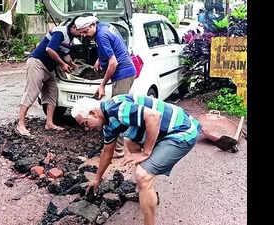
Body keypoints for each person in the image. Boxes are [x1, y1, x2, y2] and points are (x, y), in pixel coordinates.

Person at [71, 94, 202, 225]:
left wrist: (146, 152)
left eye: (86, 124)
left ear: (93, 113)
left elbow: (153, 116)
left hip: (181, 131)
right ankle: (146, 191)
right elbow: (107, 151)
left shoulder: (115, 109)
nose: (87, 129)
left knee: (142, 175)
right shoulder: (108, 124)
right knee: (130, 141)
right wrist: (97, 179)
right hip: (163, 131)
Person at [74, 15, 136, 158]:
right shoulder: (105, 27)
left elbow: (113, 63)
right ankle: (115, 145)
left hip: (122, 74)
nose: (83, 35)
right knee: (116, 109)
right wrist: (99, 60)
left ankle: (118, 149)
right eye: (81, 32)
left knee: (117, 112)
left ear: (92, 25)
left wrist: (102, 85)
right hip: (126, 71)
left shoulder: (101, 35)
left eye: (85, 32)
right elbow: (112, 47)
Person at [16, 16, 82, 136]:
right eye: (81, 31)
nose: (82, 34)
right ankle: (20, 124)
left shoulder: (70, 38)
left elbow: (65, 54)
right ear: (74, 27)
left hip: (49, 68)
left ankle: (49, 123)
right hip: (38, 63)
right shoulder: (60, 32)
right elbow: (49, 49)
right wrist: (62, 64)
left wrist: (72, 64)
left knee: (52, 92)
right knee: (32, 92)